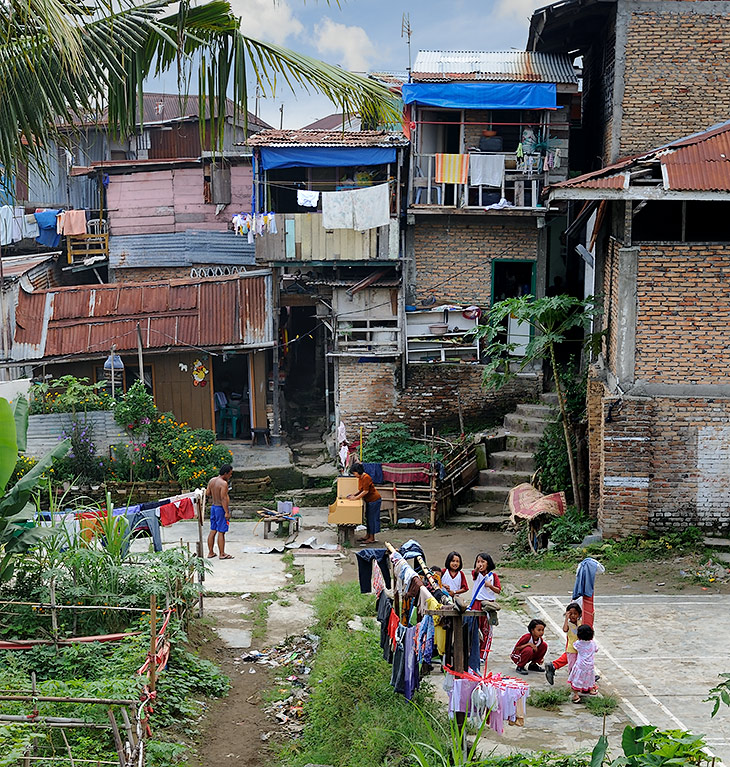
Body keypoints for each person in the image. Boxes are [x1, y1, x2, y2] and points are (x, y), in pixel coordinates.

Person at [471, 552, 501, 655]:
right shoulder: (476, 574)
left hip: (488, 604)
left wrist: (490, 586)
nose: (480, 564)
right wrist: (477, 568)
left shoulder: (493, 576)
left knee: (486, 629)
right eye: (478, 561)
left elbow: (498, 590)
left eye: (482, 561)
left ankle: (483, 654)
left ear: (488, 563)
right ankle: (473, 652)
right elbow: (474, 574)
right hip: (476, 603)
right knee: (474, 628)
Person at [545, 602, 582, 685]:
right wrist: (566, 618)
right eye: (570, 614)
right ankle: (576, 681)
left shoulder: (581, 623)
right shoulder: (568, 624)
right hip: (572, 646)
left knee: (580, 661)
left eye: (575, 614)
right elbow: (565, 629)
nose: (573, 616)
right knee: (573, 662)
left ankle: (553, 666)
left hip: (580, 647)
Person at [347, 463, 382, 545]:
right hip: (369, 500)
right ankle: (368, 535)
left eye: (354, 473)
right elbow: (361, 489)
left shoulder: (366, 477)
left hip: (374, 500)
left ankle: (372, 538)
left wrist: (356, 498)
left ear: (358, 471)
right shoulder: (360, 477)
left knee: (372, 518)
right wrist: (354, 495)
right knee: (368, 517)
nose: (354, 475)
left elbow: (365, 491)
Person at [206, 464, 234, 560]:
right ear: (225, 473)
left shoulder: (212, 481)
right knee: (221, 531)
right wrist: (226, 512)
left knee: (213, 530)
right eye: (230, 474)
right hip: (220, 509)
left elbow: (208, 493)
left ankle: (210, 552)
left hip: (213, 507)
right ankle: (222, 554)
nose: (230, 476)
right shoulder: (223, 484)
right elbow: (223, 498)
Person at [567, 624, 598, 702]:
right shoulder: (593, 643)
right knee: (589, 678)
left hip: (580, 665)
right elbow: (596, 649)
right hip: (590, 665)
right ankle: (590, 689)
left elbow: (574, 646)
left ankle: (576, 695)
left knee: (577, 679)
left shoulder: (578, 643)